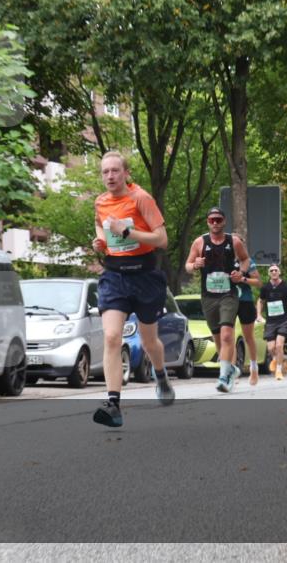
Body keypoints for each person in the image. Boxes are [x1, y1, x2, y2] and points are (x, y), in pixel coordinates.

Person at [90, 151, 174, 428]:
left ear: (126, 173)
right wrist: (101, 241)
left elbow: (162, 239)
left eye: (115, 171)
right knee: (112, 337)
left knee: (150, 341)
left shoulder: (141, 198)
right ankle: (113, 404)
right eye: (105, 172)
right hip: (115, 275)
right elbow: (100, 226)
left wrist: (127, 232)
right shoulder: (100, 202)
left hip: (145, 274)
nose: (110, 176)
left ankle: (160, 375)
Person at [185, 208, 252, 393]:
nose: (215, 223)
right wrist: (195, 265)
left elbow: (246, 260)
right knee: (218, 339)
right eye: (212, 220)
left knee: (227, 335)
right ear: (208, 222)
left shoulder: (234, 241)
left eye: (218, 220)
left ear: (224, 221)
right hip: (208, 297)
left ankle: (223, 377)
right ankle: (231, 369)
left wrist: (241, 273)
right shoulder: (199, 242)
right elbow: (188, 265)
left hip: (228, 295)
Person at [256, 264, 287, 380]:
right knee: (271, 348)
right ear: (269, 273)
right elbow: (260, 301)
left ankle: (279, 371)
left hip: (283, 320)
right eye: (271, 270)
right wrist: (259, 315)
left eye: (276, 270)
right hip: (270, 322)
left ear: (279, 272)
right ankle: (275, 359)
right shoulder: (265, 288)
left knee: (279, 345)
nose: (274, 272)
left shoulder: (286, 287)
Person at [234, 252, 263, 385]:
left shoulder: (248, 261)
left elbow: (258, 282)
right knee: (228, 337)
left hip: (245, 301)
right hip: (228, 301)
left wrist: (243, 279)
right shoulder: (223, 258)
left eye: (237, 244)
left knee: (248, 337)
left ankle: (254, 367)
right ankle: (232, 371)